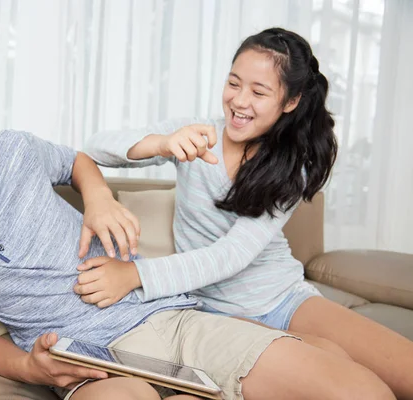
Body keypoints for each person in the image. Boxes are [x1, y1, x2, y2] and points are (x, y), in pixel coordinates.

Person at [0, 75, 396, 400]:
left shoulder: (12, 151)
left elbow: (78, 160)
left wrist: (98, 198)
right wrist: (32, 369)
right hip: (91, 364)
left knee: (359, 391)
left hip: (170, 318)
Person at [79, 27, 413, 399]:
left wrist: (135, 274)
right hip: (211, 316)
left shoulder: (292, 163)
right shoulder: (196, 135)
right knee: (348, 381)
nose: (239, 101)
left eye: (258, 92)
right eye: (233, 83)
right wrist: (163, 143)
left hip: (284, 299)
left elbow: (231, 255)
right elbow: (94, 147)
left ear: (290, 101)